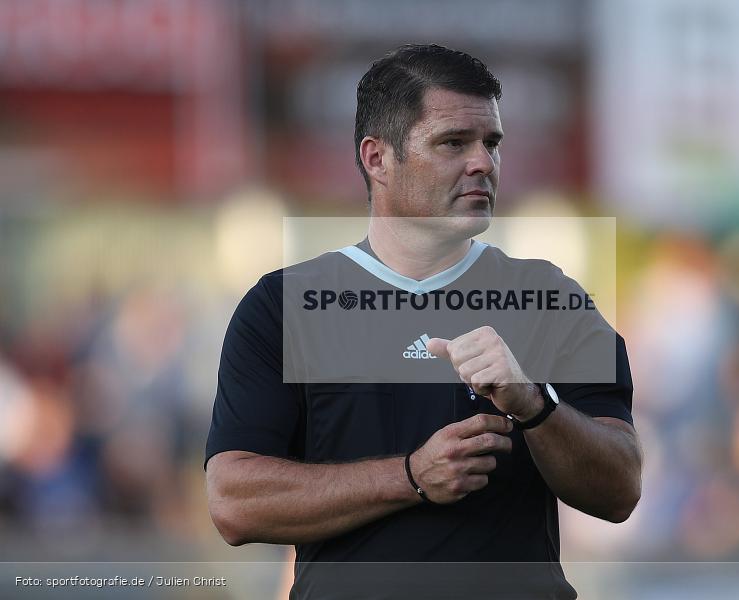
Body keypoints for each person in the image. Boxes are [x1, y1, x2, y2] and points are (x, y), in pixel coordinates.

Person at [205, 44, 642, 599]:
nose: (483, 162)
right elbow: (234, 503)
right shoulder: (283, 304)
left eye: (492, 143)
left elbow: (621, 489)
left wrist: (535, 404)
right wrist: (411, 477)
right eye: (453, 143)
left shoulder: (550, 297)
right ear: (377, 158)